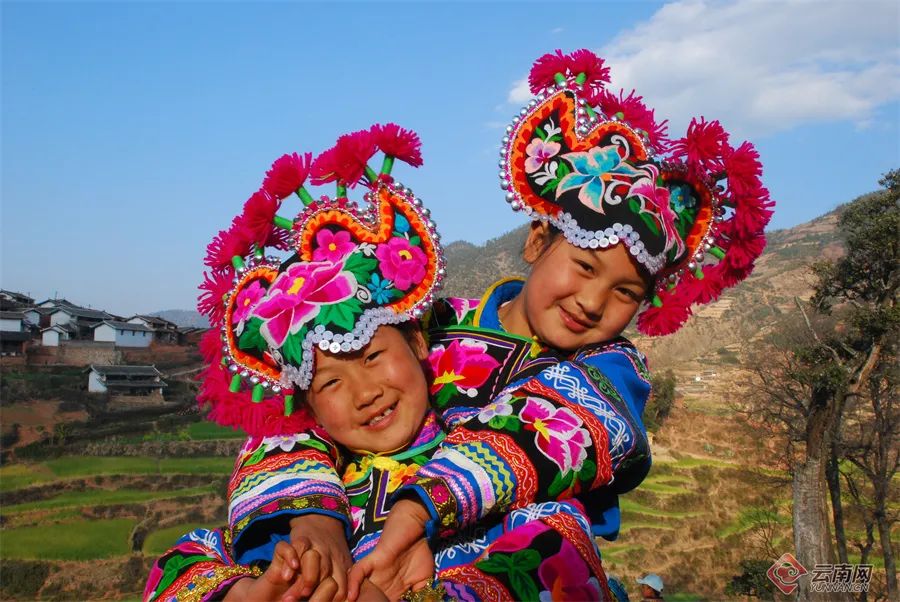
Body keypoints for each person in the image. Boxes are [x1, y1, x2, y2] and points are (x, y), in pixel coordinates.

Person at [148, 46, 772, 600]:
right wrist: (311, 522)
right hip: (351, 541)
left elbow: (558, 427)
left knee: (557, 543)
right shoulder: (434, 324)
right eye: (583, 266)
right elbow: (298, 419)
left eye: (626, 291)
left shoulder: (611, 370)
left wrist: (420, 512)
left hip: (482, 552)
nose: (592, 300)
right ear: (537, 241)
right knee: (190, 560)